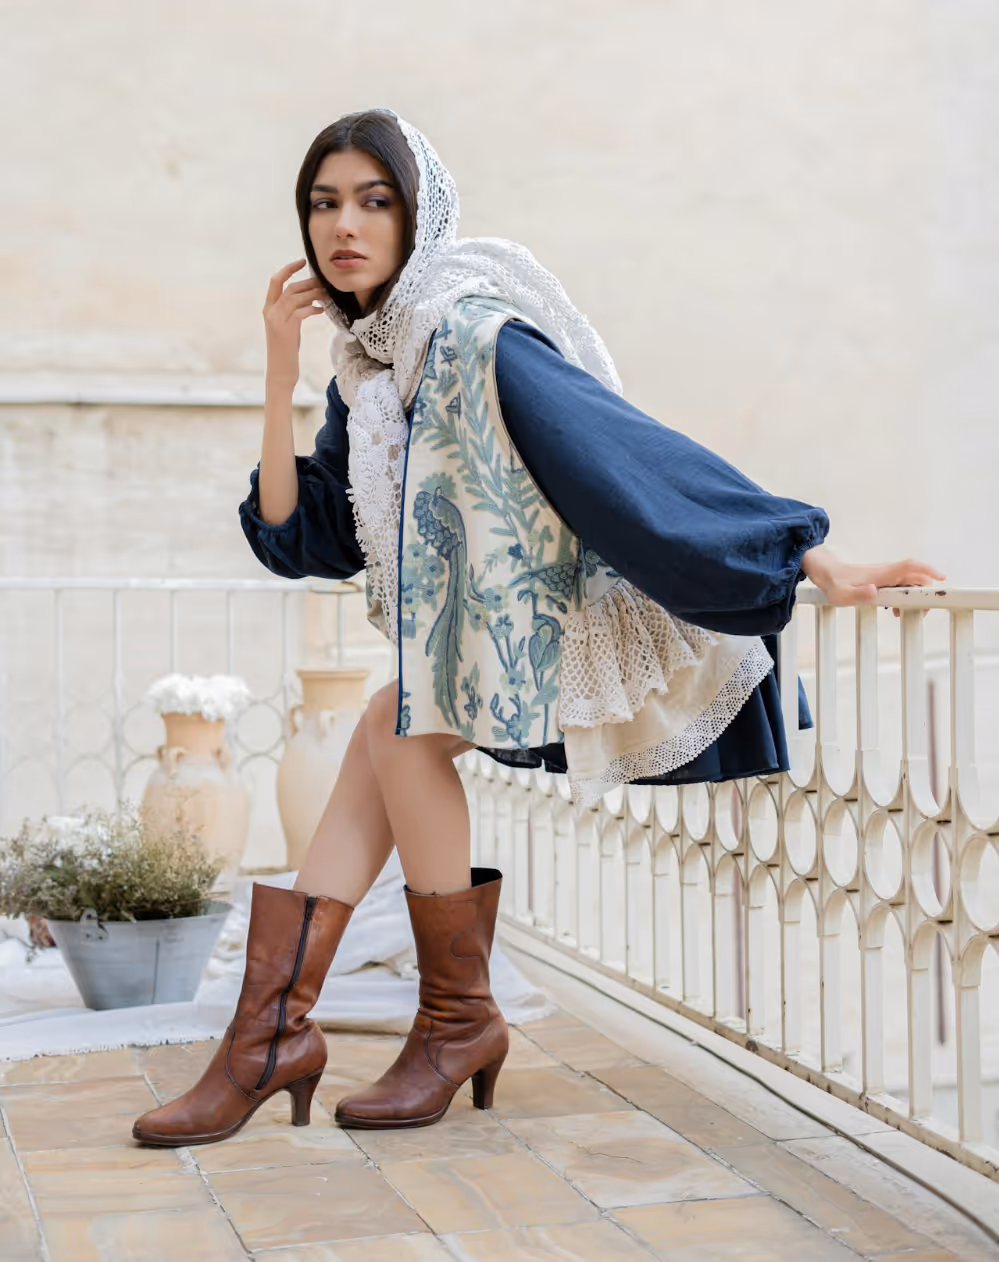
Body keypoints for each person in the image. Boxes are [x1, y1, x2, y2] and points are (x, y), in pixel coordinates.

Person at [132, 109, 944, 1147]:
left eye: (374, 201)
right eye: (323, 203)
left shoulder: (471, 331)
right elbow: (306, 539)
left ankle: (424, 1024)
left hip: (576, 612)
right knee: (390, 724)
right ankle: (287, 1038)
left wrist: (805, 549)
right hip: (487, 633)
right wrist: (278, 368)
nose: (344, 225)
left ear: (418, 216)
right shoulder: (369, 367)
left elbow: (621, 446)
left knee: (401, 726)